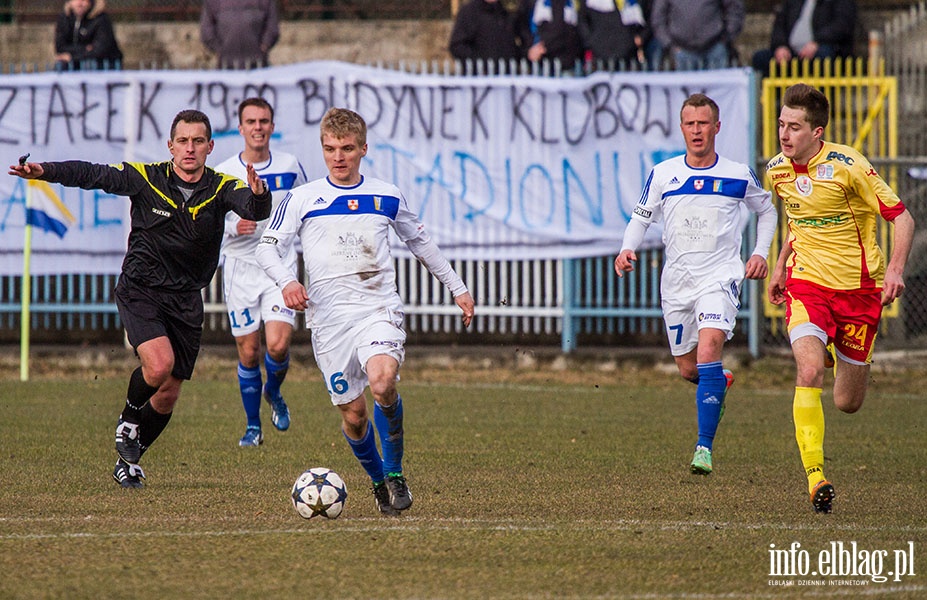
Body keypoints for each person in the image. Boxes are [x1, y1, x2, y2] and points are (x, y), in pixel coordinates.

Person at [9, 109, 271, 489]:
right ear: (170, 146)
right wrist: (45, 170)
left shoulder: (220, 187)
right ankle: (128, 421)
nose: (190, 149)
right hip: (141, 289)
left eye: (198, 141)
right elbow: (93, 174)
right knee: (160, 364)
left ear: (210, 147)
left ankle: (127, 463)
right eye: (182, 141)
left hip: (186, 299)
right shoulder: (147, 178)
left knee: (168, 395)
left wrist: (260, 194)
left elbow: (253, 208)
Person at [256, 108, 476, 516]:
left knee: (382, 383)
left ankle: (394, 473)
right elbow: (267, 247)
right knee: (356, 417)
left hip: (377, 308)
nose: (338, 157)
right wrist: (287, 282)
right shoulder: (302, 199)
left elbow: (421, 243)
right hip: (329, 322)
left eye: (347, 149)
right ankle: (377, 481)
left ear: (363, 149)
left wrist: (458, 288)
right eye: (329, 149)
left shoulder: (386, 194)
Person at [766, 83, 915, 514]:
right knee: (808, 369)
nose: (784, 134)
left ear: (818, 132)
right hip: (808, 285)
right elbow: (797, 221)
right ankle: (815, 477)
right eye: (781, 124)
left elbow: (901, 217)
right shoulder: (778, 171)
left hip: (859, 292)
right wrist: (780, 266)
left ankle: (835, 345)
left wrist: (895, 270)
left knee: (847, 403)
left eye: (794, 127)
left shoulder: (849, 166)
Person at [615, 93, 777, 475]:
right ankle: (718, 382)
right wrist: (626, 248)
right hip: (677, 284)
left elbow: (766, 210)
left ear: (717, 127)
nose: (697, 130)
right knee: (690, 370)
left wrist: (759, 253)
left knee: (709, 349)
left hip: (719, 278)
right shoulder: (663, 173)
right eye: (690, 123)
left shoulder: (737, 174)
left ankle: (703, 448)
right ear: (682, 127)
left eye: (703, 123)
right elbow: (641, 217)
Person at [215, 98, 309, 447]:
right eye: (251, 121)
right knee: (249, 352)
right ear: (240, 128)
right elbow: (211, 216)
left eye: (264, 121)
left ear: (272, 126)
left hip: (279, 266)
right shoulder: (225, 170)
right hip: (240, 268)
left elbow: (305, 205)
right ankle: (253, 427)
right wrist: (231, 227)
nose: (257, 127)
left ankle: (275, 392)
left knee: (279, 344)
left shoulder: (289, 166)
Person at [751, 0, 857, 78]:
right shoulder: (793, 3)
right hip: (791, 53)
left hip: (822, 49)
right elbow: (779, 25)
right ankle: (778, 101)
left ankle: (820, 102)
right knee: (761, 58)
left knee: (824, 55)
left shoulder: (841, 2)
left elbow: (842, 25)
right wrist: (780, 46)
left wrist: (817, 42)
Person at [650, 0, 744, 70]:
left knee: (718, 94)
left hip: (715, 48)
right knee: (686, 95)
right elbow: (658, 19)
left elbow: (735, 9)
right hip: (682, 50)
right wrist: (670, 44)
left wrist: (726, 37)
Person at [200, 0, 279, 69]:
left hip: (257, 66)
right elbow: (207, 31)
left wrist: (265, 45)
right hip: (226, 68)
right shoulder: (213, 2)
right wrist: (219, 50)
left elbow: (272, 27)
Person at [54, 0, 123, 71]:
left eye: (84, 0)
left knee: (88, 64)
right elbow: (60, 47)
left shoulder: (101, 19)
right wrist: (84, 48)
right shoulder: (64, 18)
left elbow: (100, 50)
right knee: (61, 65)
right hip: (76, 61)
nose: (79, 3)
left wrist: (72, 57)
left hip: (103, 64)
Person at [578, 0, 648, 68]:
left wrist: (640, 37)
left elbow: (648, 16)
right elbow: (582, 19)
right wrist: (591, 41)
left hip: (628, 53)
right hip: (599, 52)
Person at [449, 0, 525, 63]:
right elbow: (457, 46)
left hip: (507, 75)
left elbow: (523, 37)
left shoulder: (509, 11)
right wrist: (479, 61)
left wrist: (516, 55)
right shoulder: (469, 12)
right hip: (478, 76)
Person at [517, 0, 584, 70]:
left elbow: (565, 29)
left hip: (568, 62)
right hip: (537, 62)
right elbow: (521, 25)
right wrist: (529, 49)